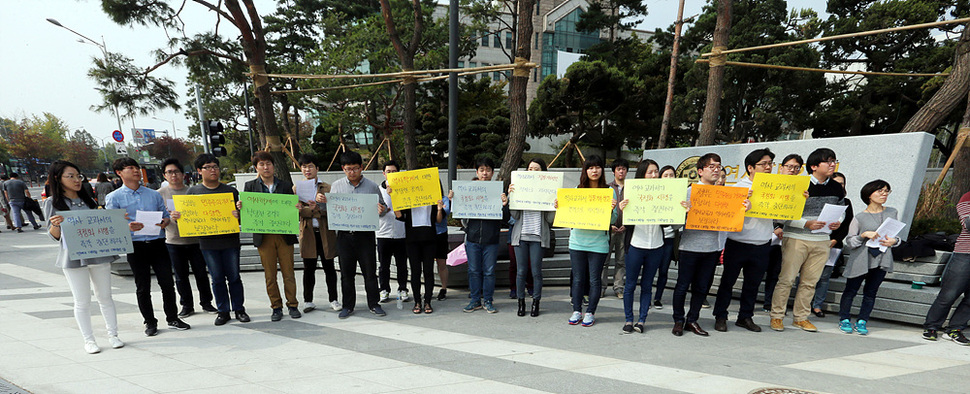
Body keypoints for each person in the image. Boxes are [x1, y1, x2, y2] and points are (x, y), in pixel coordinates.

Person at [45, 160, 125, 354]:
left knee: (105, 296)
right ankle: (88, 340)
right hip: (73, 257)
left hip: (98, 253)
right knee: (82, 300)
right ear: (58, 179)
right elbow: (54, 236)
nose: (76, 180)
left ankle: (113, 334)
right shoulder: (52, 202)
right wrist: (56, 224)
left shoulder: (89, 200)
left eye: (78, 176)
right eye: (70, 176)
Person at [105, 158, 190, 336]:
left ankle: (173, 318)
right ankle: (150, 322)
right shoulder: (114, 197)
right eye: (130, 168)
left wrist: (165, 222)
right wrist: (127, 226)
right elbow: (111, 224)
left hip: (158, 243)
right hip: (135, 246)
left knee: (167, 283)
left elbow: (166, 216)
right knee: (142, 287)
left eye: (137, 167)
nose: (136, 171)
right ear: (119, 173)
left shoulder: (153, 194)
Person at [770, 148, 844, 332]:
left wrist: (838, 223)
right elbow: (781, 214)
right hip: (796, 237)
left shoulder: (836, 187)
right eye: (828, 161)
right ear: (813, 166)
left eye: (834, 161)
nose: (832, 164)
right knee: (786, 279)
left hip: (822, 240)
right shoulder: (797, 184)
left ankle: (801, 317)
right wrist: (805, 223)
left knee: (810, 282)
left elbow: (841, 210)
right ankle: (777, 316)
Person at [172, 154, 249, 326]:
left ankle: (239, 309)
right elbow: (187, 219)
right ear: (199, 171)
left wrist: (239, 215)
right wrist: (178, 217)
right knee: (217, 278)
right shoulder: (193, 192)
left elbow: (242, 218)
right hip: (208, 244)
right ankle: (223, 311)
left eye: (215, 166)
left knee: (234, 277)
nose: (213, 170)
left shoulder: (230, 191)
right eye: (208, 167)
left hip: (230, 242)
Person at [673, 153, 745, 337]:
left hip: (712, 248)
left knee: (702, 287)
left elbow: (732, 220)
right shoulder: (688, 192)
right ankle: (678, 320)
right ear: (700, 171)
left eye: (718, 167)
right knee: (682, 286)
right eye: (711, 166)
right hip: (689, 247)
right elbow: (674, 224)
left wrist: (743, 208)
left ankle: (692, 320)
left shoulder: (724, 194)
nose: (716, 170)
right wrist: (685, 213)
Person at [712, 149, 775, 333]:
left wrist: (797, 199)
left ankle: (745, 316)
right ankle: (721, 316)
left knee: (753, 284)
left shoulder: (774, 188)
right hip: (737, 242)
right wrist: (742, 208)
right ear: (750, 167)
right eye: (763, 164)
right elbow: (727, 217)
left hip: (762, 243)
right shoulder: (737, 188)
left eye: (770, 163)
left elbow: (784, 214)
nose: (768, 167)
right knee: (728, 282)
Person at [321, 151, 388, 318]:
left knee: (370, 272)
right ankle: (347, 306)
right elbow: (328, 209)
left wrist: (382, 209)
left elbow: (383, 208)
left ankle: (374, 303)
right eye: (348, 169)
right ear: (343, 169)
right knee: (346, 273)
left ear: (361, 168)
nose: (352, 172)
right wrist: (321, 202)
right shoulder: (336, 186)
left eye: (355, 168)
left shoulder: (372, 186)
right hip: (344, 236)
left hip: (365, 235)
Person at [242, 151, 301, 321]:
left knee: (289, 272)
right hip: (264, 236)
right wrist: (241, 206)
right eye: (261, 164)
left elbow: (293, 210)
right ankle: (276, 306)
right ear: (256, 168)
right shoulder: (250, 187)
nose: (265, 167)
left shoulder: (285, 185)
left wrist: (296, 208)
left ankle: (293, 304)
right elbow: (247, 211)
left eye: (268, 164)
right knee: (270, 274)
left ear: (274, 166)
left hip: (284, 235)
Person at [838, 180, 898, 335]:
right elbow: (850, 241)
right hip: (861, 258)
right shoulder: (859, 217)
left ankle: (863, 320)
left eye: (886, 191)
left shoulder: (892, 212)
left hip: (881, 257)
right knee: (851, 290)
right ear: (869, 195)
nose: (884, 194)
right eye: (880, 191)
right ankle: (844, 318)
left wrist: (895, 241)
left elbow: (897, 236)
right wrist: (863, 235)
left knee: (871, 292)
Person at [564, 155, 618, 327]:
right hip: (577, 242)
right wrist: (560, 206)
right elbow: (567, 215)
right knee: (578, 279)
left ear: (602, 170)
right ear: (585, 171)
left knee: (595, 280)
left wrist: (611, 210)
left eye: (597, 167)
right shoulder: (577, 190)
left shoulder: (608, 192)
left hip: (599, 244)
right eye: (590, 167)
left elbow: (613, 220)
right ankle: (576, 310)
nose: (594, 171)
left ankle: (590, 312)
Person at [158, 158, 216, 318]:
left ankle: (207, 303)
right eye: (169, 172)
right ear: (164, 175)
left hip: (196, 240)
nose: (173, 175)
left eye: (176, 171)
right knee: (180, 276)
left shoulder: (193, 191)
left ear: (183, 174)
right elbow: (158, 217)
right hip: (173, 241)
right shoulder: (160, 194)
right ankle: (187, 305)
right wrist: (167, 218)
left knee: (201, 274)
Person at [618, 159, 667, 333]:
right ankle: (629, 319)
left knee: (647, 285)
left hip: (656, 245)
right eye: (650, 172)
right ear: (642, 174)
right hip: (636, 244)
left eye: (656, 172)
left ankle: (642, 320)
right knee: (630, 284)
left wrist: (680, 211)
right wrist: (622, 210)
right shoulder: (631, 192)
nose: (654, 175)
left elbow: (671, 223)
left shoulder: (665, 192)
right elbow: (621, 223)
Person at [461, 157, 510, 314]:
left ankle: (488, 300)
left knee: (489, 271)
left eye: (488, 170)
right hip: (473, 238)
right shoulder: (468, 190)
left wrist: (504, 205)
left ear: (492, 173)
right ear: (477, 172)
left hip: (491, 239)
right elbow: (460, 215)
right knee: (474, 270)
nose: (485, 173)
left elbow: (506, 219)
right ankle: (475, 300)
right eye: (481, 170)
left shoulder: (498, 192)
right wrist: (454, 199)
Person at [509, 158, 556, 317]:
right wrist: (512, 197)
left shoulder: (548, 190)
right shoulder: (521, 188)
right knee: (521, 271)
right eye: (530, 169)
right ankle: (521, 303)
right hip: (521, 236)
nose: (533, 172)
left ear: (543, 172)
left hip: (538, 236)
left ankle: (536, 302)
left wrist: (555, 206)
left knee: (536, 271)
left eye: (537, 169)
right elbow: (514, 215)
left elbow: (550, 220)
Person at [922, 190, 970, 344]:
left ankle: (955, 329)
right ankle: (932, 326)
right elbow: (968, 223)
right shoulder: (967, 197)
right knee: (949, 294)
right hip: (965, 254)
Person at [295, 154, 340, 313]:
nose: (307, 170)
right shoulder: (296, 188)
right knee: (309, 268)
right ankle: (308, 300)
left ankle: (333, 299)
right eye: (304, 167)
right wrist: (310, 209)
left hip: (325, 233)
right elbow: (297, 213)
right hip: (308, 233)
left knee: (329, 267)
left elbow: (335, 211)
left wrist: (321, 206)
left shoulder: (328, 187)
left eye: (310, 166)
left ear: (317, 169)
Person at [763, 154, 804, 312]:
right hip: (768, 235)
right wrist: (775, 227)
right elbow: (764, 207)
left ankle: (770, 303)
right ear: (781, 168)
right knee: (761, 270)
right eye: (789, 166)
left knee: (777, 272)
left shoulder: (801, 188)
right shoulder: (771, 184)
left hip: (789, 236)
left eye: (796, 168)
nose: (792, 170)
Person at [392, 186, 442, 314]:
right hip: (412, 241)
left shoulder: (432, 200)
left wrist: (439, 209)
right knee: (415, 272)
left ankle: (428, 301)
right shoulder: (409, 201)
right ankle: (417, 301)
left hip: (429, 239)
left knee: (428, 271)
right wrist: (394, 198)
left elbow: (438, 220)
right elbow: (399, 215)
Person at [812, 172, 852, 318]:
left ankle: (817, 305)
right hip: (814, 240)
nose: (839, 186)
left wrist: (834, 240)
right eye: (836, 183)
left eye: (842, 183)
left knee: (824, 276)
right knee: (807, 275)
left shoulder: (846, 202)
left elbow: (846, 224)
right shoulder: (820, 199)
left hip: (833, 244)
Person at [377, 160, 409, 304]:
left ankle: (403, 289)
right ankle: (384, 290)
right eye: (388, 172)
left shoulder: (405, 189)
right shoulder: (377, 190)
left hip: (401, 233)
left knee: (402, 264)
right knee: (384, 265)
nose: (391, 174)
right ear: (384, 173)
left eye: (394, 172)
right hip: (383, 233)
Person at [653, 165, 678, 309]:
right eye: (666, 175)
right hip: (653, 237)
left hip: (669, 238)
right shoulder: (653, 193)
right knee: (650, 269)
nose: (669, 178)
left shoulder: (678, 194)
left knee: (664, 270)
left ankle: (658, 298)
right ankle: (646, 295)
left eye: (672, 175)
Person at [604, 158, 629, 298]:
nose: (621, 171)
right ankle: (602, 287)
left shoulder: (631, 188)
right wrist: (610, 224)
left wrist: (627, 224)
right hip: (609, 229)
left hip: (625, 229)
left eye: (624, 169)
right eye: (618, 169)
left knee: (621, 261)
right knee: (604, 260)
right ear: (613, 171)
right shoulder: (607, 188)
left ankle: (618, 288)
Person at [434, 181, 452, 301]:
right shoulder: (422, 199)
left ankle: (443, 288)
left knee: (442, 263)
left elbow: (444, 214)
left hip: (440, 234)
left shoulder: (444, 199)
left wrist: (440, 208)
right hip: (426, 234)